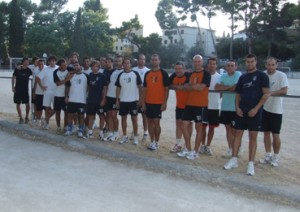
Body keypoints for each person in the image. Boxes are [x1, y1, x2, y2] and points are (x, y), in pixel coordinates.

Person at [223, 54, 269, 176]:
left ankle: (250, 164)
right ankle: (233, 159)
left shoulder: (262, 76)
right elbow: (238, 94)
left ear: (256, 62)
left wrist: (256, 108)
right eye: (248, 62)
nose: (249, 64)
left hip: (255, 112)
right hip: (241, 112)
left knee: (252, 138)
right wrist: (237, 107)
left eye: (252, 61)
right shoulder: (243, 77)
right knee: (237, 135)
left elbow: (266, 94)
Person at [177, 55, 211, 160]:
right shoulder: (190, 74)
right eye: (195, 61)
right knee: (183, 125)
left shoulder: (206, 74)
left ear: (202, 62)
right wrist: (194, 86)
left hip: (200, 105)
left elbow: (201, 88)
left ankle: (196, 152)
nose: (197, 63)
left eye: (199, 61)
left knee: (199, 128)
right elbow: (185, 87)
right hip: (189, 104)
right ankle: (188, 148)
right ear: (193, 62)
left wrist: (192, 86)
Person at [259, 57, 288, 167]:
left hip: (276, 110)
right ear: (266, 65)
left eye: (273, 65)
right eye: (268, 65)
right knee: (266, 133)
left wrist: (270, 93)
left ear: (276, 65)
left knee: (276, 134)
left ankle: (276, 156)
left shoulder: (282, 76)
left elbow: (284, 90)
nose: (270, 67)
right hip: (264, 109)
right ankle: (268, 155)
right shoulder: (262, 74)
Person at [143, 54, 170, 151]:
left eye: (156, 60)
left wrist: (165, 103)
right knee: (149, 121)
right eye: (152, 60)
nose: (154, 61)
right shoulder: (147, 74)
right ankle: (152, 141)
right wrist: (143, 102)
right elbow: (144, 89)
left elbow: (167, 89)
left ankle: (157, 142)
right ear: (151, 61)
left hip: (158, 103)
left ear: (159, 61)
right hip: (148, 102)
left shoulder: (163, 73)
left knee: (156, 122)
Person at [215, 60, 241, 156]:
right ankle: (230, 149)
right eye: (228, 66)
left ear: (235, 67)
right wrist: (229, 87)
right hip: (225, 107)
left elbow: (236, 88)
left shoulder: (238, 74)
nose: (230, 67)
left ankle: (237, 148)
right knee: (228, 129)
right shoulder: (223, 76)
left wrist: (224, 87)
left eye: (232, 65)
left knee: (235, 130)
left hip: (235, 107)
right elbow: (217, 87)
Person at [116, 58, 142, 145]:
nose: (126, 65)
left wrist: (141, 99)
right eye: (125, 63)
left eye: (128, 63)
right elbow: (118, 88)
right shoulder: (120, 75)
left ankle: (135, 137)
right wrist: (117, 100)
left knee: (134, 119)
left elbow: (140, 87)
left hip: (133, 101)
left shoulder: (135, 74)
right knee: (123, 119)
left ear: (131, 64)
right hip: (123, 101)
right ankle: (124, 136)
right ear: (123, 65)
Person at [200, 57, 221, 156]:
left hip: (215, 106)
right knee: (202, 127)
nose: (212, 65)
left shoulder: (220, 77)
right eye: (210, 63)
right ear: (207, 65)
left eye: (214, 63)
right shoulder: (203, 75)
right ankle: (202, 145)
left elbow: (222, 92)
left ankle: (208, 146)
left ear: (216, 65)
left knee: (211, 128)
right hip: (204, 105)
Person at [169, 62, 191, 152]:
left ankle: (187, 145)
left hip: (189, 105)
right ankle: (178, 144)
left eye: (180, 68)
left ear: (184, 69)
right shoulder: (173, 76)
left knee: (188, 125)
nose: (178, 70)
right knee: (178, 124)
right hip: (179, 105)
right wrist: (177, 86)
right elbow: (167, 84)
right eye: (176, 69)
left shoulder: (188, 76)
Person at [64, 61, 89, 137]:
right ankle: (69, 130)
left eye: (77, 65)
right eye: (74, 66)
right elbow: (67, 87)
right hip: (71, 99)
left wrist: (87, 96)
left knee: (81, 115)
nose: (76, 67)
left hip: (82, 100)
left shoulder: (86, 76)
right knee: (70, 115)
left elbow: (89, 87)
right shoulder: (70, 75)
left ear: (80, 66)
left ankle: (80, 131)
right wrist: (66, 96)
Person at [102, 56, 123, 141]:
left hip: (116, 97)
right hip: (109, 96)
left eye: (120, 61)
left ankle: (116, 132)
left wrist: (118, 98)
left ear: (122, 62)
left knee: (114, 115)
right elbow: (107, 85)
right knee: (109, 115)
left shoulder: (123, 72)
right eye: (116, 61)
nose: (118, 62)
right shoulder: (113, 71)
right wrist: (105, 97)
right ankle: (110, 132)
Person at [85, 60, 108, 138]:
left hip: (99, 100)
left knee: (101, 116)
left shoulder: (102, 76)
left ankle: (101, 132)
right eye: (93, 66)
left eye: (96, 66)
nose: (95, 68)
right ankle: (90, 133)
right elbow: (88, 88)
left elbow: (105, 89)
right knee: (91, 116)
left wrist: (103, 99)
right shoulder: (89, 75)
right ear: (91, 67)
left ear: (99, 67)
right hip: (91, 100)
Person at [36, 55, 58, 130]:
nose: (52, 62)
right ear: (48, 62)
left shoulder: (58, 68)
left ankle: (45, 119)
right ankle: (46, 124)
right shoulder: (45, 69)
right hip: (47, 91)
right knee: (47, 108)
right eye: (50, 61)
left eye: (53, 61)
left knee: (56, 108)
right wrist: (42, 87)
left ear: (55, 61)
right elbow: (38, 78)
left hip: (57, 92)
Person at [132, 54, 150, 140]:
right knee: (134, 115)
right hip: (134, 96)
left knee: (144, 115)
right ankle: (134, 131)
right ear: (137, 60)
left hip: (144, 97)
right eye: (140, 59)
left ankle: (145, 132)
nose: (142, 61)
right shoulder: (133, 70)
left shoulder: (148, 71)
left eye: (143, 59)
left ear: (145, 61)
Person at [11, 58, 32, 124]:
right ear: (22, 62)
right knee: (18, 103)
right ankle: (20, 118)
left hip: (25, 90)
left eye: (28, 62)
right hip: (17, 89)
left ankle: (27, 117)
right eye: (25, 62)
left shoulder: (29, 70)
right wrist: (13, 87)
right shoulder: (18, 69)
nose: (27, 63)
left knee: (27, 104)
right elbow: (13, 77)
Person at [53, 59, 71, 133]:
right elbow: (58, 83)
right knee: (57, 112)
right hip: (57, 95)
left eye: (66, 64)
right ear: (59, 66)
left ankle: (65, 127)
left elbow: (76, 70)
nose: (65, 66)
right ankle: (58, 126)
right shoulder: (55, 72)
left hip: (66, 96)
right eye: (63, 65)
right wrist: (66, 79)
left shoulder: (68, 70)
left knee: (66, 112)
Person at [33, 59, 46, 126]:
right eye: (39, 64)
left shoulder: (47, 70)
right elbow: (35, 82)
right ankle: (38, 120)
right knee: (38, 108)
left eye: (42, 64)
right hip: (38, 93)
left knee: (47, 108)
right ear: (38, 65)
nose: (41, 65)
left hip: (46, 93)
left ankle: (46, 120)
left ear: (44, 64)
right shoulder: (36, 71)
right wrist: (34, 93)